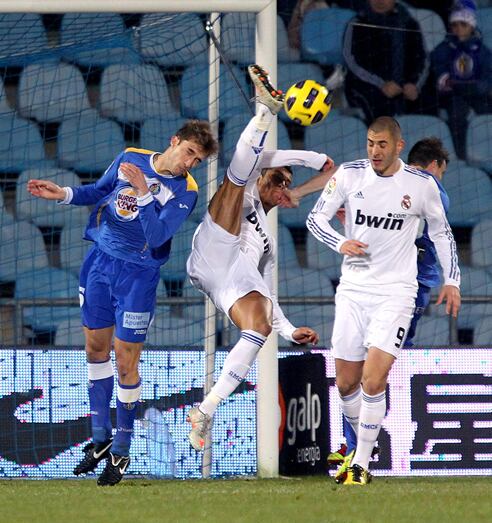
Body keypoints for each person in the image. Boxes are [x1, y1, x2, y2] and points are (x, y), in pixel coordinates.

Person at [26, 121, 218, 486]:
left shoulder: (185, 191)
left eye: (198, 159)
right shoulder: (130, 158)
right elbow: (97, 192)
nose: (191, 163)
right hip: (99, 263)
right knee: (95, 350)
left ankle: (122, 447)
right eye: (190, 153)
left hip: (138, 276)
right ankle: (99, 439)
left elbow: (158, 234)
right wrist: (62, 194)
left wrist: (144, 192)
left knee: (125, 359)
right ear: (173, 141)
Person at [280, 136, 452, 478]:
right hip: (400, 289)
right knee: (364, 375)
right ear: (434, 166)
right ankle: (354, 447)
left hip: (399, 292)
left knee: (371, 375)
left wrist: (302, 194)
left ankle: (356, 447)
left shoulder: (403, 187)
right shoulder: (429, 186)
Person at [185, 64, 334, 452]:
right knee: (237, 180)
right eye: (277, 179)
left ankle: (206, 409)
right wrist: (309, 157)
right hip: (215, 247)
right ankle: (266, 110)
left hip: (233, 277)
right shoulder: (251, 184)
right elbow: (258, 158)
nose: (281, 185)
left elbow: (265, 292)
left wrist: (289, 331)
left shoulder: (269, 239)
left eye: (286, 183)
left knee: (261, 322)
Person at [342, 0, 428, 124]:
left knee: (427, 108)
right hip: (368, 87)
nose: (380, 1)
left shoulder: (410, 23)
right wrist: (382, 84)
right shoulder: (358, 23)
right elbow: (352, 61)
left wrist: (414, 85)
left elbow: (422, 57)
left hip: (405, 88)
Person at [430, 0, 492, 158]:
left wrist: (481, 87)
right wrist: (445, 80)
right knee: (457, 115)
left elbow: (488, 72)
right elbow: (437, 65)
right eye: (454, 25)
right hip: (455, 92)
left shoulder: (480, 49)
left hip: (477, 92)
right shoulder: (446, 47)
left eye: (463, 25)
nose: (458, 29)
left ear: (471, 26)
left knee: (486, 115)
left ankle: (485, 151)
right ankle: (460, 153)